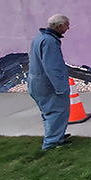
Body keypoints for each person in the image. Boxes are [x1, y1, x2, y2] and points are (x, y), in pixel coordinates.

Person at [28, 14, 73, 151]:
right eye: (66, 25)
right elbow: (52, 67)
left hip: (36, 83)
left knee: (48, 112)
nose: (68, 28)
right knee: (57, 111)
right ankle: (52, 142)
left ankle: (55, 135)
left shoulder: (40, 38)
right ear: (59, 27)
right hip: (47, 85)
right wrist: (61, 88)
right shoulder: (49, 41)